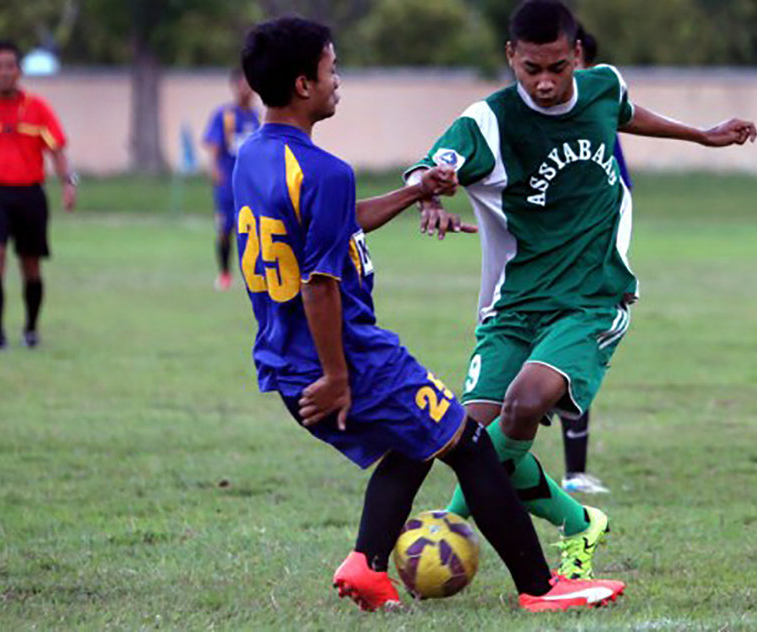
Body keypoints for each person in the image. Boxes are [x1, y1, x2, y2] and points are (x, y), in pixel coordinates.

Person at [234, 15, 624, 613]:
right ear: (304, 84)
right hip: (349, 354)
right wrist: (338, 374)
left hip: (283, 354)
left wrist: (416, 192)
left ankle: (365, 565)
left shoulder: (255, 158)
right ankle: (542, 588)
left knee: (415, 445)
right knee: (468, 444)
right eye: (332, 69)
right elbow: (319, 281)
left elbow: (338, 221)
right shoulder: (326, 170)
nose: (338, 80)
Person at [406, 0, 757, 580]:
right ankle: (577, 521)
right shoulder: (488, 121)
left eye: (557, 68)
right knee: (472, 442)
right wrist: (429, 191)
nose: (545, 83)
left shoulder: (601, 87)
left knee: (523, 404)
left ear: (576, 55)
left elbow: (623, 110)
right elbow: (434, 165)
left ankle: (446, 525)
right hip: (514, 306)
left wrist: (700, 136)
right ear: (510, 58)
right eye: (531, 70)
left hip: (593, 297)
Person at [0, 40, 77, 350]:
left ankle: (31, 329)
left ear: (19, 71)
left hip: (30, 194)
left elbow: (56, 150)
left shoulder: (37, 109)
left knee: (31, 265)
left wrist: (67, 182)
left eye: (10, 66)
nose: (5, 72)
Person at [553, 25, 629, 496]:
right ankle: (482, 473)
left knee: (573, 368)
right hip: (536, 273)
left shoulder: (599, 119)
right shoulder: (516, 120)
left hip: (588, 270)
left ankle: (574, 473)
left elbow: (618, 193)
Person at [202, 68, 261, 291]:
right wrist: (215, 171)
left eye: (250, 84)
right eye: (242, 84)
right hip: (228, 185)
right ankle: (225, 273)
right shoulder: (224, 114)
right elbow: (214, 146)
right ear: (235, 86)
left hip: (251, 186)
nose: (246, 89)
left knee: (251, 229)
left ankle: (252, 275)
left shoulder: (257, 117)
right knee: (225, 229)